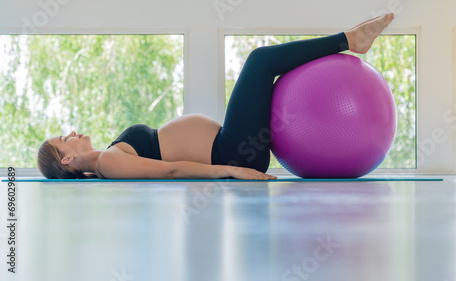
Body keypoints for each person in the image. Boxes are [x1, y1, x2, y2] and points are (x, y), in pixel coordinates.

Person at [37, 13, 395, 180]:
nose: (70, 133)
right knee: (259, 61)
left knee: (271, 82)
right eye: (62, 139)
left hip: (235, 145)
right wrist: (230, 171)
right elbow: (171, 171)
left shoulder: (109, 157)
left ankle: (350, 39)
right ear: (66, 159)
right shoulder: (107, 164)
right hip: (233, 151)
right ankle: (350, 40)